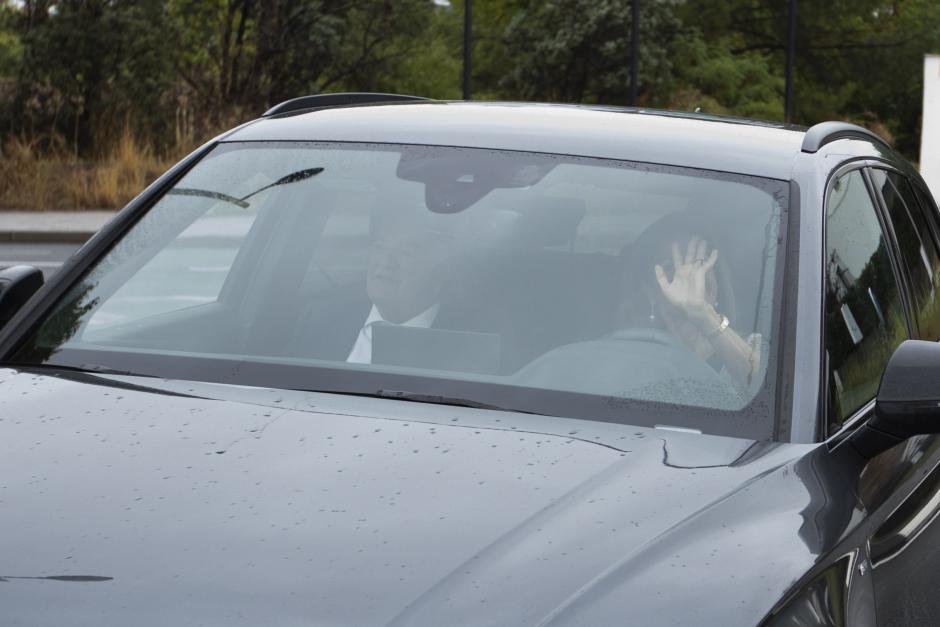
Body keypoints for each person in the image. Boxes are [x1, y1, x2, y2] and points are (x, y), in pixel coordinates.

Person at [624, 225, 763, 393]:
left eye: (700, 263)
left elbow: (767, 391)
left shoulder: (751, 347)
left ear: (716, 279)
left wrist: (702, 315)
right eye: (669, 266)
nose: (688, 275)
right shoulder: (631, 353)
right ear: (649, 289)